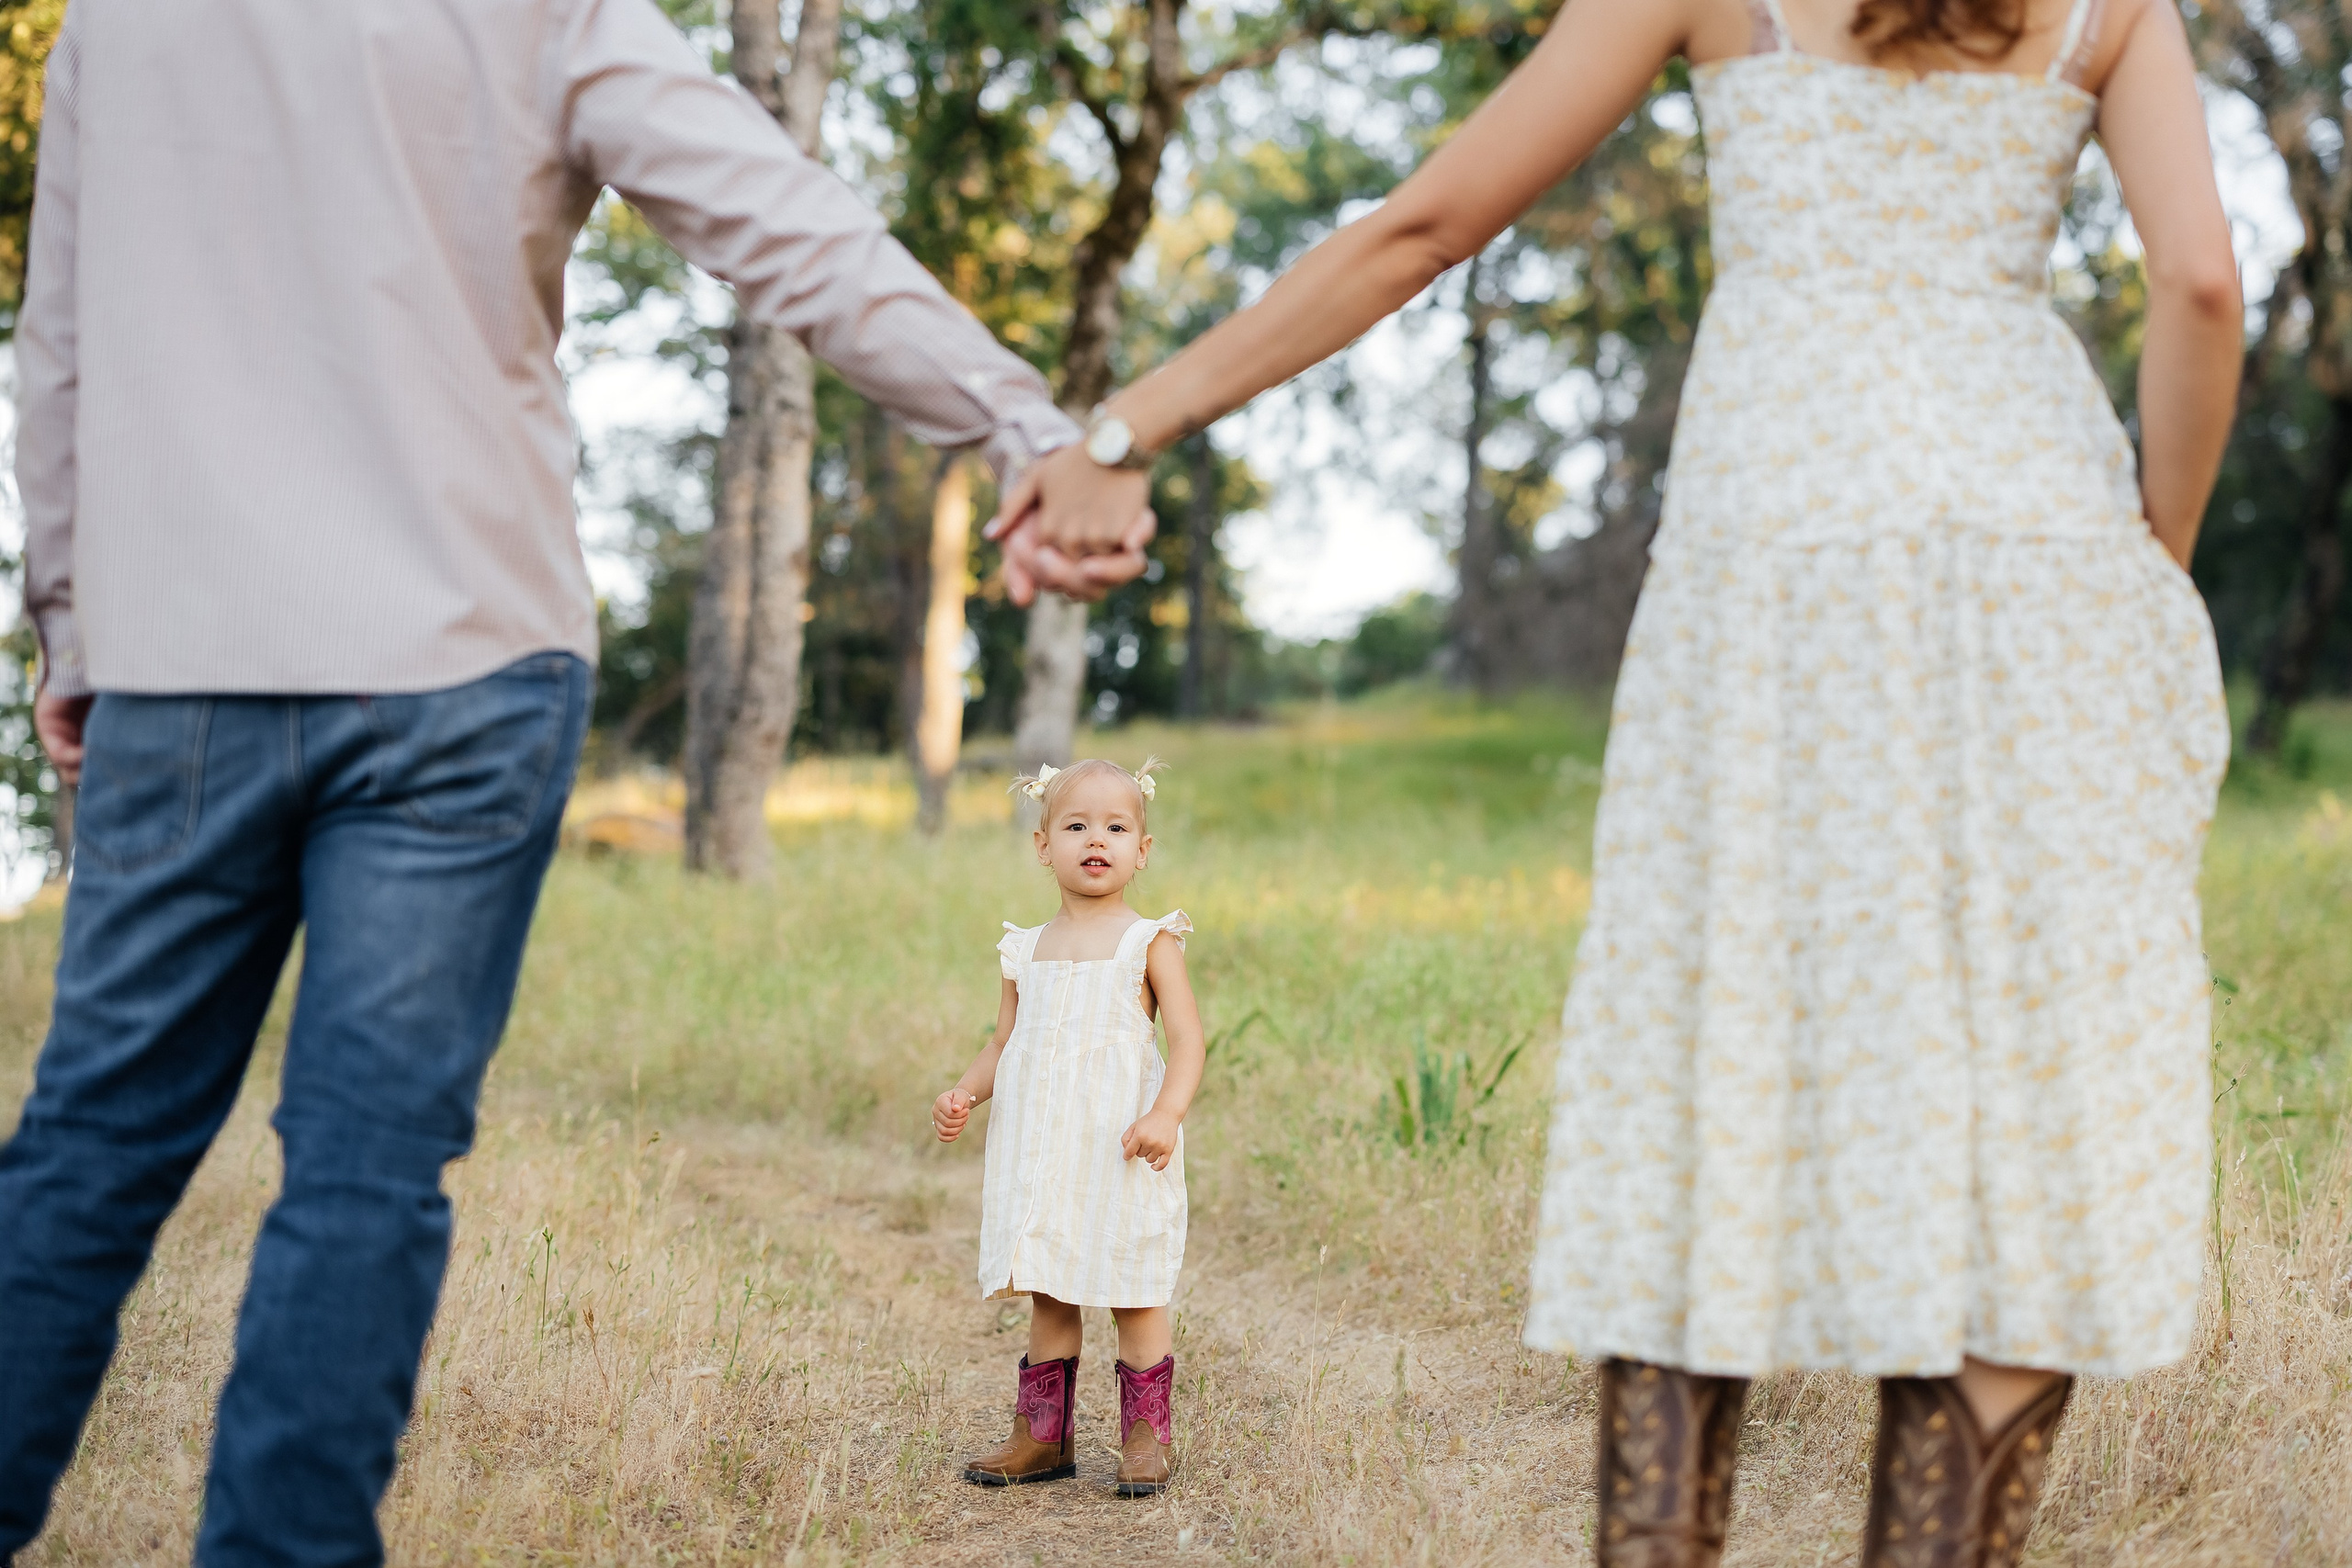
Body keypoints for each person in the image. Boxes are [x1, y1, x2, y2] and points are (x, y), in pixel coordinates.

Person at [986, 0, 2241, 1557]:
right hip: (2041, 546)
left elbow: (1428, 224)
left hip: (1779, 555)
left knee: (1698, 1068)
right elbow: (2198, 282)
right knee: (2014, 1102)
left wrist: (1127, 424)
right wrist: (2157, 564)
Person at [0, 0, 1104, 1560]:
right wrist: (1022, 427)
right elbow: (789, 226)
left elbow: (60, 344)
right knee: (367, 1173)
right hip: (461, 652)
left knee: (91, 1143)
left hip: (181, 662)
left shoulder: (119, 22)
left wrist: (68, 624)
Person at [932, 759, 1204, 1498]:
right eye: (1077, 824)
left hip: (1121, 1148)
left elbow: (1187, 1040)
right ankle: (1041, 1436)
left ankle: (1145, 1439)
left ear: (1141, 851)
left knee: (1134, 1285)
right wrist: (966, 1090)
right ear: (1042, 843)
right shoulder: (1025, 947)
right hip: (1045, 1151)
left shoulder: (1149, 940)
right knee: (1051, 1286)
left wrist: (1166, 1113)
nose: (1096, 838)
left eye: (1116, 827)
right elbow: (1003, 1043)